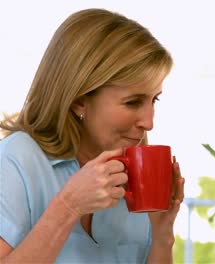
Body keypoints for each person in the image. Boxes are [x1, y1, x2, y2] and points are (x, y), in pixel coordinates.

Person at [0, 8, 184, 263]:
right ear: (78, 101)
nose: (149, 122)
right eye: (132, 102)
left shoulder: (134, 175)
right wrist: (68, 206)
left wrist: (163, 232)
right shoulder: (17, 159)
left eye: (155, 100)